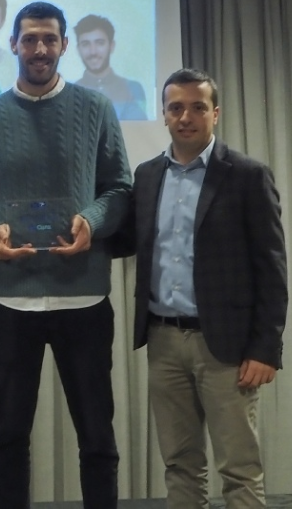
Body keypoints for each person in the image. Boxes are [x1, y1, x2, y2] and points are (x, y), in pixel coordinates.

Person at [0, 1, 131, 509]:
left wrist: (92, 221)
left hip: (83, 299)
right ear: (13, 44)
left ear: (64, 45)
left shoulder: (97, 109)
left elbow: (119, 189)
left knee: (97, 438)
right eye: (29, 39)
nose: (40, 49)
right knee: (9, 438)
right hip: (11, 301)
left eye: (50, 39)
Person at [120, 68, 286, 508]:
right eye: (176, 108)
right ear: (164, 114)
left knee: (239, 468)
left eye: (197, 107)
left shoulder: (248, 175)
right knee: (179, 464)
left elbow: (272, 268)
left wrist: (266, 348)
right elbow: (129, 240)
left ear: (215, 113)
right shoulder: (147, 175)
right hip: (163, 340)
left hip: (227, 348)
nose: (185, 117)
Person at [74, 14, 147, 120]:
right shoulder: (69, 94)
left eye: (100, 43)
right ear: (78, 49)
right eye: (85, 44)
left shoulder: (133, 89)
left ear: (111, 46)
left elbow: (139, 127)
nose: (93, 51)